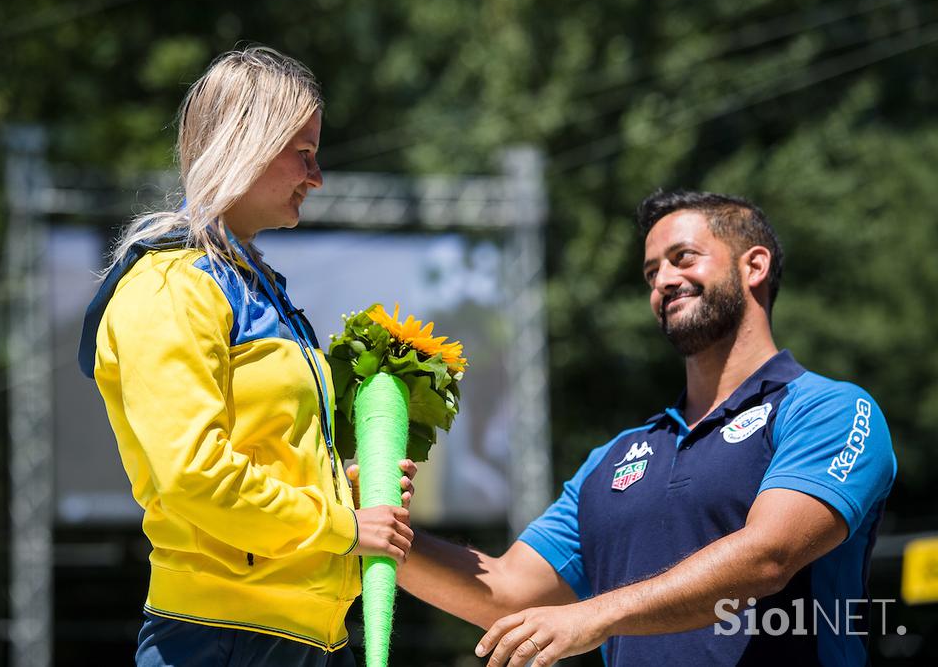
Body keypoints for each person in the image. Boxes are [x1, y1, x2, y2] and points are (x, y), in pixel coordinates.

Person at [398, 190, 897, 667]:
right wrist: (378, 532)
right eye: (651, 272)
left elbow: (770, 554)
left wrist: (596, 614)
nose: (663, 281)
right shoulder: (613, 458)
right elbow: (509, 593)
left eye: (684, 258)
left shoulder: (826, 409)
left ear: (755, 266)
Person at [77, 46, 416, 667]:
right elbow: (194, 475)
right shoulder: (171, 285)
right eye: (304, 154)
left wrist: (346, 489)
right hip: (215, 637)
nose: (317, 178)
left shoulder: (253, 285)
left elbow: (260, 454)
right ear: (246, 145)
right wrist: (344, 526)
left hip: (297, 636)